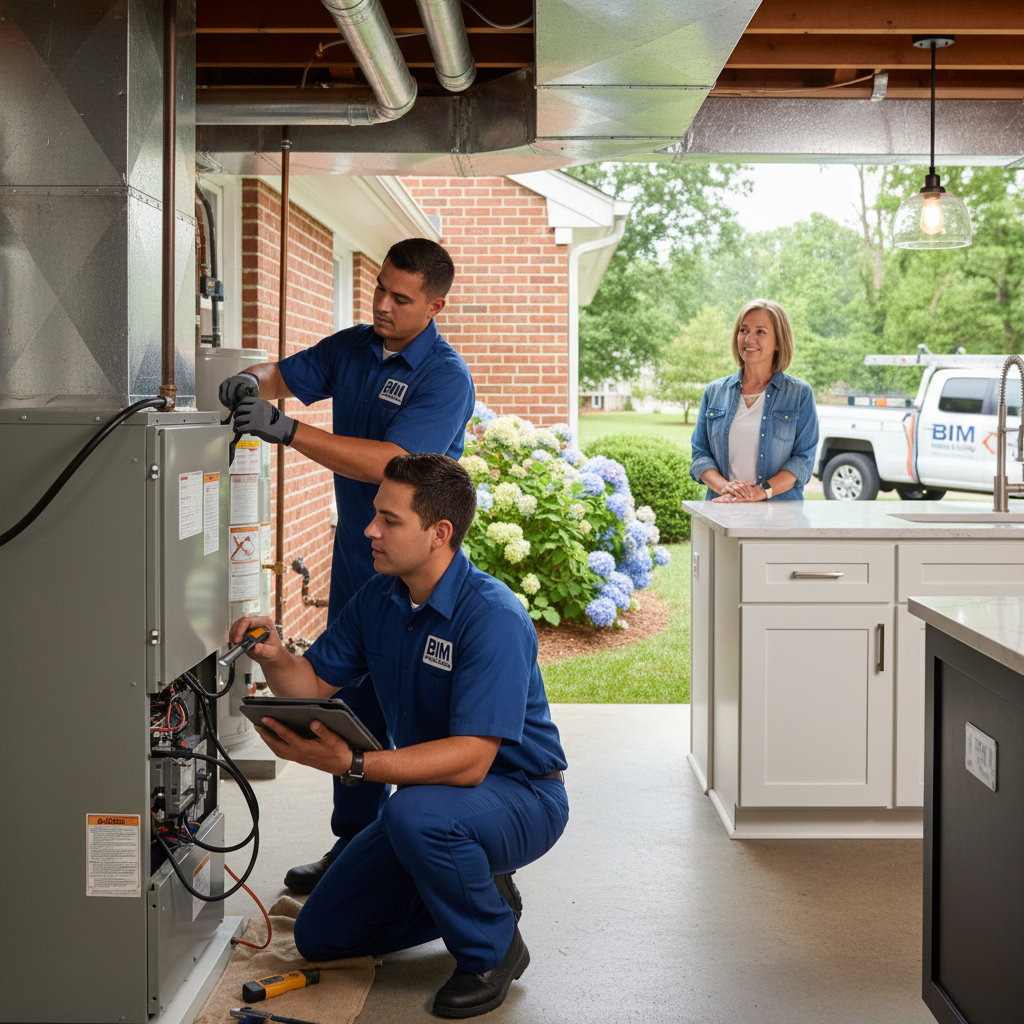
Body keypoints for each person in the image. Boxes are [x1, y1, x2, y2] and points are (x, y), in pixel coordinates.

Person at [232, 453, 569, 1018]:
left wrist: (354, 765)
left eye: (390, 520)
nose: (369, 529)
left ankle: (491, 948)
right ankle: (479, 888)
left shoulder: (491, 616)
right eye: (373, 515)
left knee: (413, 816)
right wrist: (274, 653)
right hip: (429, 800)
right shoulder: (379, 598)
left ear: (439, 533)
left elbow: (470, 762)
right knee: (322, 936)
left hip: (520, 794)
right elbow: (312, 680)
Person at [218, 238, 476, 895]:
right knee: (350, 702)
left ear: (435, 305)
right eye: (380, 289)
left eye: (400, 297)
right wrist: (250, 382)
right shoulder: (355, 347)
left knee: (426, 710)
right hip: (360, 557)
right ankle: (355, 847)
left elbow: (393, 460)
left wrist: (287, 431)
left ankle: (439, 850)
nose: (383, 305)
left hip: (419, 565)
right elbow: (282, 375)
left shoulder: (444, 376)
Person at [689, 298, 818, 502]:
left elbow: (803, 461)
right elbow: (700, 456)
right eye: (744, 330)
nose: (749, 339)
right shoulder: (714, 392)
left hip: (779, 516)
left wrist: (757, 493)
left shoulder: (799, 394)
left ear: (778, 342)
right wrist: (728, 489)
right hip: (724, 510)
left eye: (760, 332)